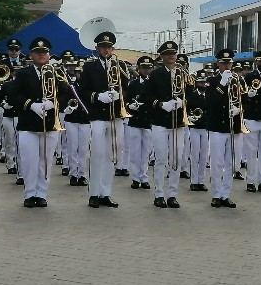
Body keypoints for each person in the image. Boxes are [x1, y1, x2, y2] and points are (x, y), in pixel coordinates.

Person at [9, 37, 65, 208]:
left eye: (45, 52)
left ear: (49, 55)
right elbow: (13, 95)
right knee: (29, 160)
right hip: (28, 123)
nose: (42, 55)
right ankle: (29, 193)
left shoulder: (56, 72)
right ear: (31, 55)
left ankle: (41, 193)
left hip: (49, 124)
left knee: (45, 161)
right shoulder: (23, 73)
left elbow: (67, 94)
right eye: (38, 52)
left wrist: (53, 103)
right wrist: (31, 105)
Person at [79, 31, 129, 208]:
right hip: (98, 116)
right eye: (103, 47)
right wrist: (98, 96)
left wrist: (120, 95)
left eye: (109, 47)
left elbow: (128, 88)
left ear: (113, 48)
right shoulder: (89, 67)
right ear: (97, 48)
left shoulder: (120, 66)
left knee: (111, 155)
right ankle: (93, 193)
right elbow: (82, 91)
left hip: (115, 116)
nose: (106, 50)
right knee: (97, 154)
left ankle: (105, 192)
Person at [142, 41, 186, 209]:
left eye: (173, 53)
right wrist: (161, 104)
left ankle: (173, 194)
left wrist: (182, 101)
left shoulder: (182, 73)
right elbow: (147, 96)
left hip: (178, 122)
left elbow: (189, 93)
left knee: (176, 159)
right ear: (161, 56)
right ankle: (159, 193)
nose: (171, 56)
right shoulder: (155, 74)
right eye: (168, 54)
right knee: (161, 159)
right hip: (160, 121)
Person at [206, 49, 247, 208]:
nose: (227, 65)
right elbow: (210, 102)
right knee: (216, 162)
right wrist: (222, 83)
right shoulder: (212, 80)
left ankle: (226, 194)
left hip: (235, 127)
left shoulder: (239, 80)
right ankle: (216, 194)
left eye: (229, 62)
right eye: (223, 63)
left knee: (232, 163)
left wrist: (240, 109)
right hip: (217, 126)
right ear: (218, 64)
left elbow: (246, 102)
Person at [243, 50, 261, 194]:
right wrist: (249, 95)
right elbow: (243, 95)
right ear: (256, 61)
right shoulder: (249, 76)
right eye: (260, 61)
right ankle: (250, 181)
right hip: (252, 117)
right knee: (251, 152)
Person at [59, 59, 90, 187]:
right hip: (71, 119)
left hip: (85, 120)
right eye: (77, 72)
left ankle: (82, 174)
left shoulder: (87, 85)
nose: (78, 73)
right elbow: (61, 98)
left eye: (81, 72)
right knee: (72, 147)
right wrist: (66, 108)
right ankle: (73, 174)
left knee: (83, 149)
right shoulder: (67, 84)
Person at [125, 56, 154, 190]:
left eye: (148, 68)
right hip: (135, 120)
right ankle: (135, 178)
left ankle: (144, 176)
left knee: (146, 150)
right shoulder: (134, 84)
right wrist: (130, 105)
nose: (146, 70)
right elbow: (126, 100)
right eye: (143, 68)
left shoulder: (155, 83)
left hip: (149, 120)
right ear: (139, 69)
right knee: (135, 150)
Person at [186, 72, 209, 192]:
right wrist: (190, 117)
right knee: (195, 155)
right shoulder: (191, 96)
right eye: (200, 82)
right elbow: (186, 109)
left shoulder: (209, 96)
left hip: (205, 128)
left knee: (204, 156)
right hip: (194, 128)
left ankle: (201, 181)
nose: (202, 84)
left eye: (204, 82)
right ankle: (194, 181)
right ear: (196, 83)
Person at [176, 53, 192, 180]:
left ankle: (183, 168)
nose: (180, 66)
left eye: (183, 64)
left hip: (185, 113)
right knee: (173, 144)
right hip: (172, 112)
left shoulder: (189, 78)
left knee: (185, 144)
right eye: (178, 64)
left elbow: (192, 94)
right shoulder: (171, 76)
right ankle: (173, 168)